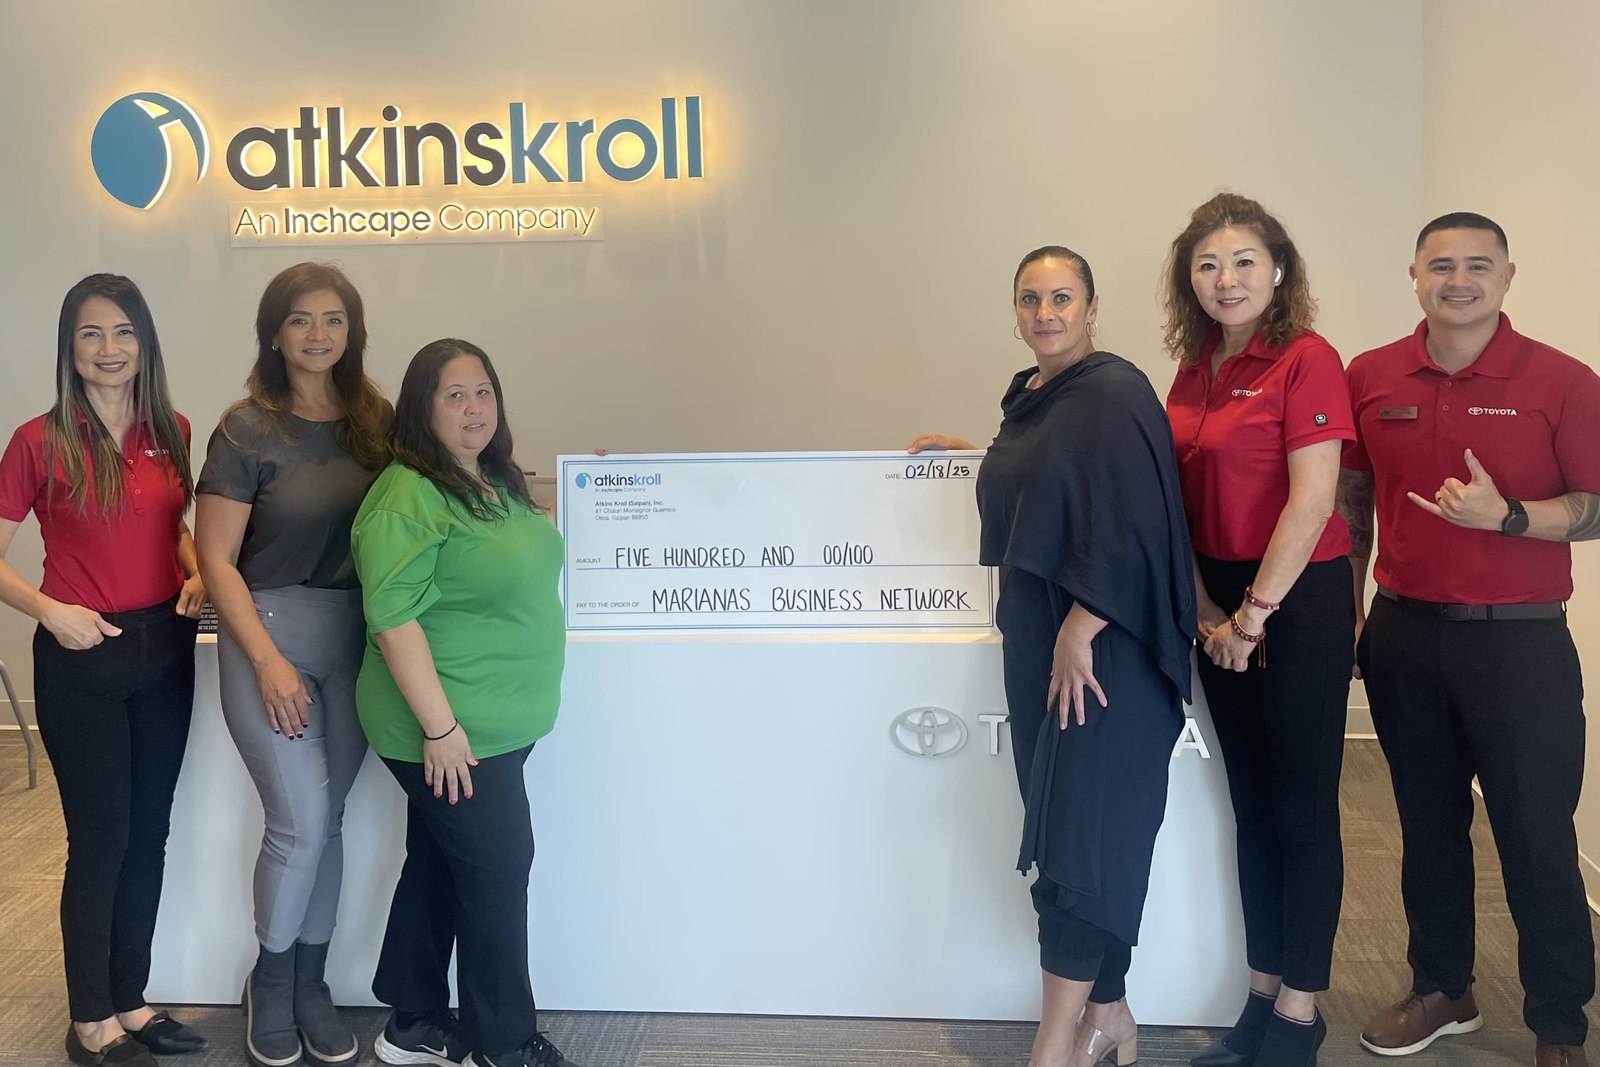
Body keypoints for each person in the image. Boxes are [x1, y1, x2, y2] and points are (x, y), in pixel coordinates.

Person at [907, 246, 1195, 1067]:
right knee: (1066, 821)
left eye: (1062, 297)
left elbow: (1139, 516)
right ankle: (1112, 1013)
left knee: (1084, 836)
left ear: (1093, 305)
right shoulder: (1033, 396)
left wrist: (1084, 623)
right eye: (1030, 299)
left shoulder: (1116, 389)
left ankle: (1056, 1037)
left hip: (1105, 643)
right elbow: (1055, 488)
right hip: (1036, 634)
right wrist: (976, 454)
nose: (1046, 313)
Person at [1340, 213, 1600, 1067]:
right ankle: (1442, 987)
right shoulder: (1370, 373)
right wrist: (1349, 611)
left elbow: (1597, 507)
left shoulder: (1563, 380)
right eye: (1440, 264)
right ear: (1413, 273)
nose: (1459, 279)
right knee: (1427, 823)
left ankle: (1560, 1021)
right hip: (1406, 637)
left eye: (1477, 265)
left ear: (1508, 276)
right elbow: (1353, 499)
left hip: (1520, 645)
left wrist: (1511, 517)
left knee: (1537, 835)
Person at [1161, 193, 1356, 1067]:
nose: (1226, 278)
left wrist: (1255, 615)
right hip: (1220, 599)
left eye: (1242, 261)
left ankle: (1300, 1013)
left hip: (1296, 598)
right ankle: (1262, 991)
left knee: (1303, 810)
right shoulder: (1193, 365)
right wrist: (1208, 609)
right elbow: (1174, 500)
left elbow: (1313, 501)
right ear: (1188, 281)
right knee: (1253, 808)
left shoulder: (1307, 359)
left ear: (1277, 269)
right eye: (1207, 264)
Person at [0, 274, 207, 1067]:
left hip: (166, 648)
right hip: (81, 654)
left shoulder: (173, 428)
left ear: (145, 343)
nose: (109, 349)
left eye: (124, 333)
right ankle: (90, 1018)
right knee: (102, 838)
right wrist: (49, 610)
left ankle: (132, 998)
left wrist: (195, 571)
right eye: (92, 334)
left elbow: (173, 529)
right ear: (70, 347)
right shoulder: (37, 440)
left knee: (149, 834)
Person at [352, 340, 575, 1067]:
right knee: (499, 871)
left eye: (483, 391)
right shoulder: (405, 495)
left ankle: (412, 1020)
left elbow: (523, 555)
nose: (474, 407)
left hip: (497, 720)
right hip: (449, 727)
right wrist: (441, 728)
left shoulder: (492, 479)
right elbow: (393, 620)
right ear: (421, 407)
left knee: (443, 864)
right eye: (454, 395)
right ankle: (502, 1042)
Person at [195, 262, 392, 1067]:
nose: (319, 334)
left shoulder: (378, 422)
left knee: (332, 819)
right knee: (299, 821)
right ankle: (270, 980)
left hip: (360, 641)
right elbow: (215, 556)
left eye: (334, 319)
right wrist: (268, 659)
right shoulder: (246, 428)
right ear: (274, 332)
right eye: (302, 319)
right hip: (267, 636)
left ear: (353, 330)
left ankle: (313, 981)